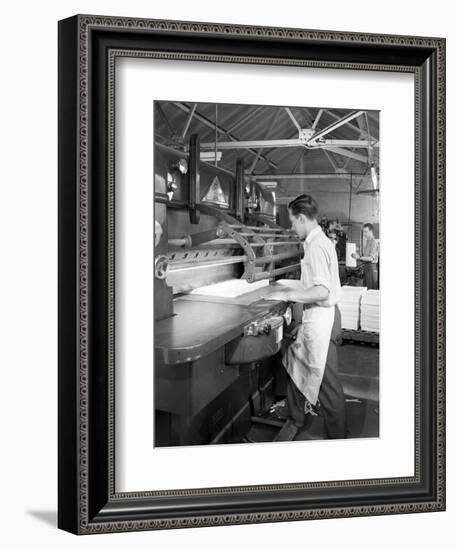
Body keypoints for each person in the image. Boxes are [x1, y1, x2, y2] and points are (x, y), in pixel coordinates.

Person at [266, 194, 347, 439]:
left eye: (293, 222)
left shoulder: (316, 246)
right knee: (295, 365)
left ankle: (339, 437)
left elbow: (322, 291)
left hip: (323, 321)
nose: (292, 227)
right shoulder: (317, 242)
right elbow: (316, 283)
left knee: (326, 383)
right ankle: (294, 416)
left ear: (302, 218)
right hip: (320, 317)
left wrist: (291, 294)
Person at [352, 223, 379, 289]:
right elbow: (366, 256)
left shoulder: (373, 242)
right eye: (363, 232)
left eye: (366, 232)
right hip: (367, 267)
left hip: (371, 268)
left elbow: (371, 258)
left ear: (371, 231)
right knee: (366, 288)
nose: (364, 234)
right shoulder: (368, 241)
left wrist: (359, 257)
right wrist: (358, 256)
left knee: (371, 289)